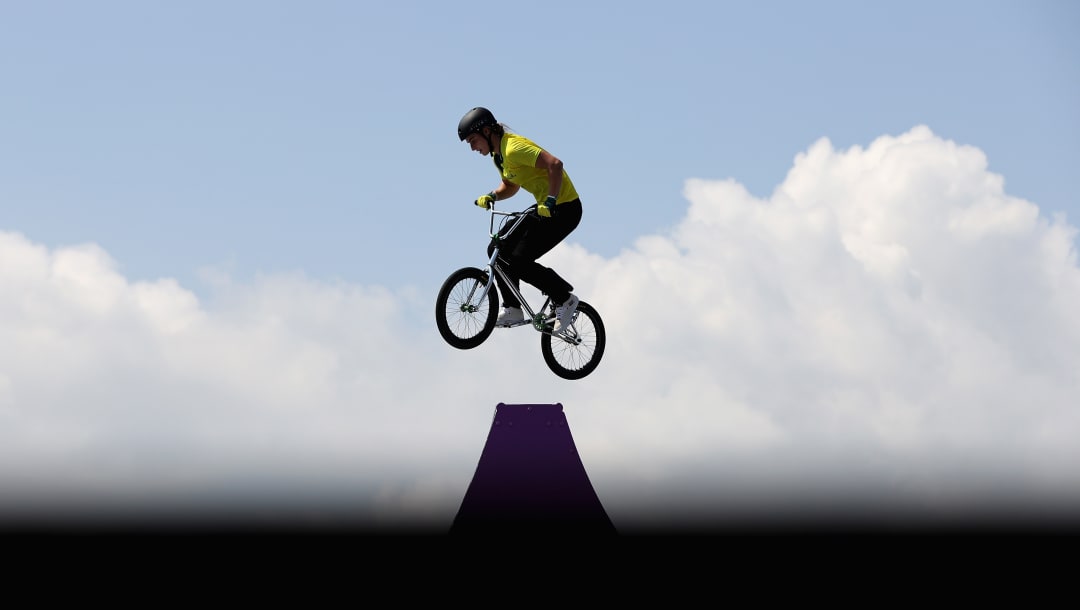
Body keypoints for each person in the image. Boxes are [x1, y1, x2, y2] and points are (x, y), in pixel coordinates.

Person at [457, 106, 582, 332]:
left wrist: (551, 200)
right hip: (545, 208)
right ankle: (513, 308)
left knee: (518, 260)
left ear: (486, 131)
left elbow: (555, 164)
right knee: (496, 249)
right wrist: (492, 195)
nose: (473, 147)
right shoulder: (499, 156)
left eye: (473, 140)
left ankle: (564, 298)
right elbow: (510, 185)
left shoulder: (514, 148)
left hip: (564, 209)